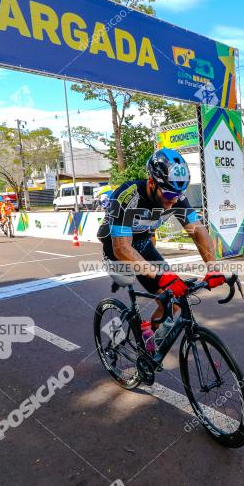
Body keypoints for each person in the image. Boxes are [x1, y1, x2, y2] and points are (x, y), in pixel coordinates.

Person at [98, 148, 225, 353]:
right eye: (168, 194)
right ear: (151, 182)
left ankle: (149, 337)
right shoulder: (128, 196)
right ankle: (117, 334)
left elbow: (198, 231)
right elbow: (122, 247)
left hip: (143, 245)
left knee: (172, 302)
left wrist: (213, 267)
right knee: (132, 281)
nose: (173, 201)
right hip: (116, 251)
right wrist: (160, 275)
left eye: (178, 195)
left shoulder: (175, 197)